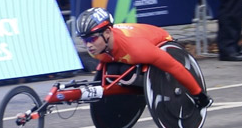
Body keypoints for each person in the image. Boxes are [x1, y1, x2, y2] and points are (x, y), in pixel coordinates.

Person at [75, 7, 213, 110]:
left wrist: (198, 94)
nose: (88, 45)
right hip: (128, 45)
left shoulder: (137, 49)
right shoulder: (96, 48)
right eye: (84, 40)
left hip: (156, 39)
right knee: (114, 70)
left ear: (107, 33)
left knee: (125, 72)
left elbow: (175, 67)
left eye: (92, 39)